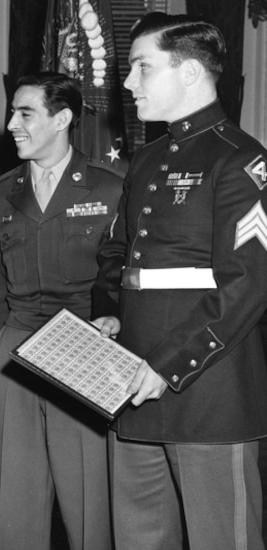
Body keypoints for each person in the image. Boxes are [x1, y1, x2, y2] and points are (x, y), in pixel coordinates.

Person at [92, 12, 267, 550]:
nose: (127, 83)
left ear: (189, 73)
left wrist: (167, 368)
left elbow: (247, 284)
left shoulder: (242, 160)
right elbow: (118, 253)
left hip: (206, 392)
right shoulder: (145, 160)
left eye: (142, 68)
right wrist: (108, 310)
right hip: (131, 385)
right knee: (140, 539)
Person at [0, 72, 121, 550]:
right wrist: (13, 339)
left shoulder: (111, 188)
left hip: (86, 349)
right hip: (15, 349)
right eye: (12, 111)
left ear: (62, 119)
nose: (12, 123)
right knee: (16, 497)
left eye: (25, 113)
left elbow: (118, 277)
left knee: (88, 500)